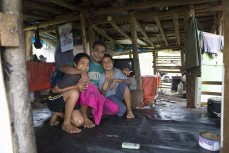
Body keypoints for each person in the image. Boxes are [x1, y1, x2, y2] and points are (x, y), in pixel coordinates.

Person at [61, 40, 108, 128]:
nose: (99, 54)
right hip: (78, 93)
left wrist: (122, 70)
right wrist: (81, 72)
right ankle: (84, 116)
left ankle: (83, 111)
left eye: (102, 52)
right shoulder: (84, 60)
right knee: (88, 86)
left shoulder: (102, 67)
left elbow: (111, 69)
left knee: (115, 108)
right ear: (92, 50)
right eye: (96, 50)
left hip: (93, 95)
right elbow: (64, 68)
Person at [46, 53, 90, 133]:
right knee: (74, 92)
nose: (85, 67)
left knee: (79, 122)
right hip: (53, 100)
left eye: (87, 64)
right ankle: (66, 124)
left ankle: (58, 114)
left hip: (65, 100)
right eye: (82, 63)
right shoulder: (72, 76)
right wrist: (75, 87)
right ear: (75, 64)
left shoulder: (83, 76)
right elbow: (55, 90)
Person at [99, 54, 135, 118]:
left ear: (113, 62)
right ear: (101, 65)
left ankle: (129, 111)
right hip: (108, 97)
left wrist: (116, 80)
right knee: (122, 110)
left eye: (109, 61)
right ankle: (106, 110)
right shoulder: (102, 77)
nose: (107, 64)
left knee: (123, 84)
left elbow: (129, 82)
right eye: (104, 62)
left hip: (117, 95)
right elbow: (101, 96)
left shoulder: (117, 71)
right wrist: (104, 88)